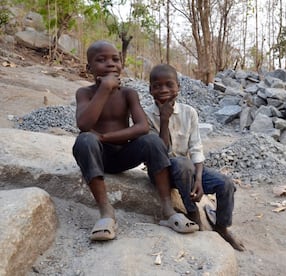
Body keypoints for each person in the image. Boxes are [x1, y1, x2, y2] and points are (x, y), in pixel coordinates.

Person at [72, 41, 198, 241]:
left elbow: (142, 127)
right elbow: (84, 124)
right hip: (97, 157)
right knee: (85, 140)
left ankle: (167, 209)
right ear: (89, 68)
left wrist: (104, 137)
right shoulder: (84, 93)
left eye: (115, 59)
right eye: (101, 60)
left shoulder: (128, 93)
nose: (111, 64)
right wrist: (104, 89)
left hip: (123, 156)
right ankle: (106, 212)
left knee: (151, 141)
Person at [144, 64, 246, 251]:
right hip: (161, 174)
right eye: (157, 86)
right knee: (183, 164)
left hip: (188, 170)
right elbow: (160, 151)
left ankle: (222, 227)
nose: (164, 90)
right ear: (150, 90)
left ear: (178, 88)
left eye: (169, 85)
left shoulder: (189, 112)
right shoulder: (146, 116)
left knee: (226, 184)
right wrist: (164, 119)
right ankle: (192, 212)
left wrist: (198, 179)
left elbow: (196, 148)